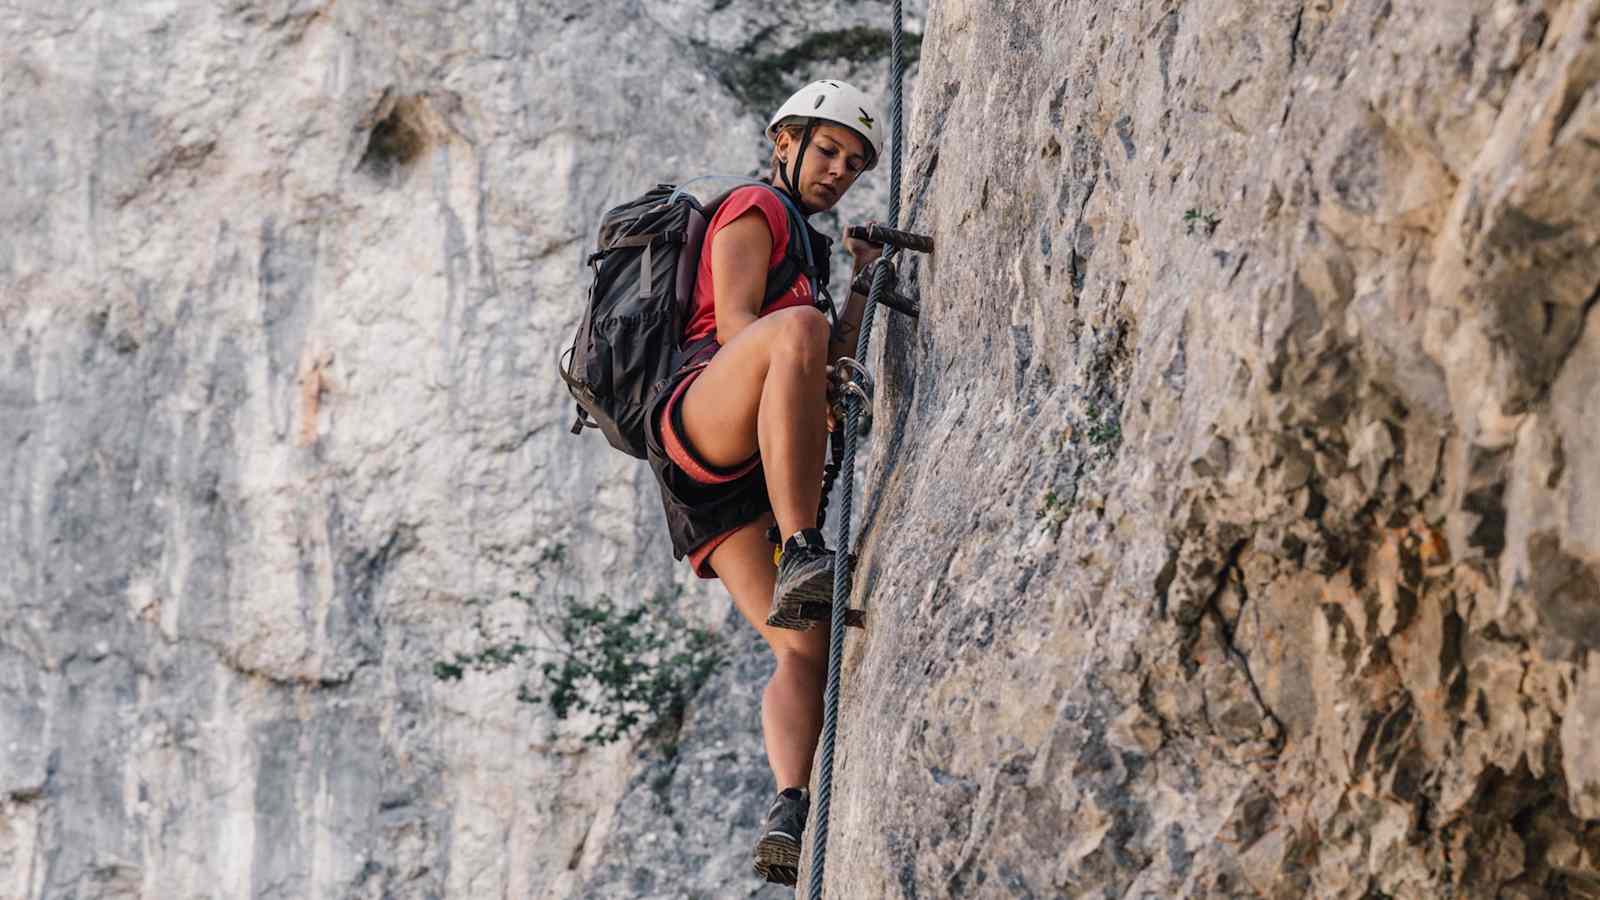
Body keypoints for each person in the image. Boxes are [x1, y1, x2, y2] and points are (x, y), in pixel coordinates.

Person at [641, 79, 885, 886]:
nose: (838, 171)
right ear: (786, 141)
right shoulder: (754, 206)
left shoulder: (810, 250)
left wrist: (859, 281)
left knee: (805, 650)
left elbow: (824, 360)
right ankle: (806, 545)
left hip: (733, 484)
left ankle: (788, 802)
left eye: (853, 164)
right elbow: (748, 326)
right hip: (702, 415)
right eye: (826, 151)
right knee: (798, 329)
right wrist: (812, 339)